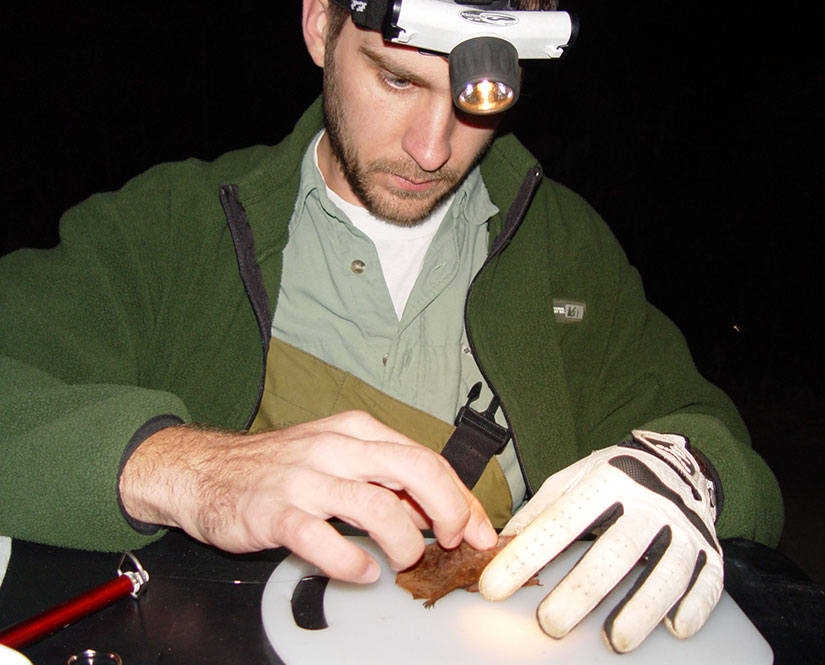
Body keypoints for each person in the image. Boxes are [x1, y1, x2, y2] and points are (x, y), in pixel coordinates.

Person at [0, 0, 782, 653]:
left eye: (477, 99)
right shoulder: (171, 227)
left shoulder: (565, 247)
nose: (431, 148)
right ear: (319, 25)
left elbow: (726, 451)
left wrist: (688, 471)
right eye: (396, 79)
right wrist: (186, 469)